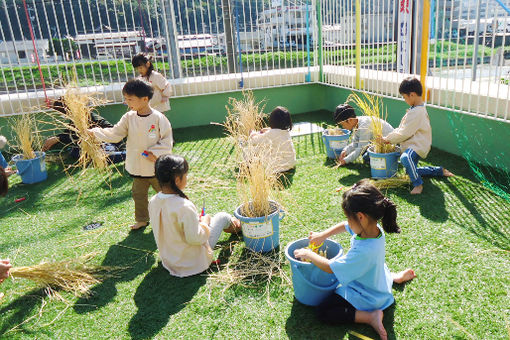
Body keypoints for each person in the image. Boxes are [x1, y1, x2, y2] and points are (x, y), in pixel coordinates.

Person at [294, 180, 416, 340]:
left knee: (323, 311)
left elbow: (330, 267)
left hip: (369, 296)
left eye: (349, 217)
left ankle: (370, 317)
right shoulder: (373, 229)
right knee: (376, 269)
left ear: (361, 217)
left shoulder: (364, 251)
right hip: (377, 281)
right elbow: (346, 225)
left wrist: (309, 254)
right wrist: (323, 235)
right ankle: (393, 278)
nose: (348, 222)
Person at [88, 79, 173, 230]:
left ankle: (171, 217)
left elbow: (167, 141)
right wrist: (95, 133)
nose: (127, 103)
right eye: (126, 99)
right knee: (139, 195)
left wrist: (154, 152)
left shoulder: (158, 118)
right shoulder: (129, 118)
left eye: (130, 99)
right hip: (137, 167)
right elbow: (115, 134)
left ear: (145, 99)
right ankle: (142, 219)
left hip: (155, 167)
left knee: (165, 194)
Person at [148, 154, 241, 277]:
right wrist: (204, 222)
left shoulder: (153, 201)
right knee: (222, 217)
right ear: (177, 180)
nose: (187, 178)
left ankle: (235, 225)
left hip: (170, 260)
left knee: (212, 219)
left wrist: (195, 221)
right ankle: (239, 226)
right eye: (185, 175)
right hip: (192, 262)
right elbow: (196, 238)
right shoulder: (184, 206)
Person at [380, 77, 454, 194]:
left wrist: (388, 139)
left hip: (417, 145)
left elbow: (404, 133)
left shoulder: (417, 112)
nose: (404, 100)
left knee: (406, 158)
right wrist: (389, 137)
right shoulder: (415, 109)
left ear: (412, 95)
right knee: (411, 171)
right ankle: (438, 171)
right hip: (412, 144)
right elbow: (402, 129)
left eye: (404, 97)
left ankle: (418, 184)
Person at [42, 98, 126, 163]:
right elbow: (71, 133)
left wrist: (59, 138)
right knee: (75, 152)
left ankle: (125, 155)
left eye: (64, 114)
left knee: (101, 156)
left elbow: (77, 135)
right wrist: (57, 138)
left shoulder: (86, 116)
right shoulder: (75, 119)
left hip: (108, 143)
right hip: (97, 145)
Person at [248, 106, 296, 175]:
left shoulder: (271, 134)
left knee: (257, 149)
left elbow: (255, 141)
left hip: (280, 167)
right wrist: (268, 130)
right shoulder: (285, 132)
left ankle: (249, 164)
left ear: (272, 120)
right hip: (291, 163)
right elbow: (275, 132)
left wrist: (252, 133)